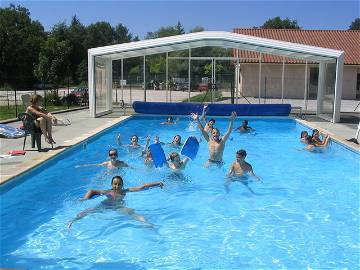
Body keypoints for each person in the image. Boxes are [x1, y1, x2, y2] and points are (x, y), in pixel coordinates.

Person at [68, 175, 164, 228]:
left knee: (131, 212)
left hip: (118, 206)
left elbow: (142, 186)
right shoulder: (107, 191)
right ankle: (72, 221)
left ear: (122, 185)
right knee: (87, 210)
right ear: (111, 184)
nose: (117, 186)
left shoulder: (125, 191)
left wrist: (158, 183)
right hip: (105, 205)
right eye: (115, 184)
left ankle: (146, 223)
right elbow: (91, 191)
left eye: (119, 184)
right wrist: (85, 199)